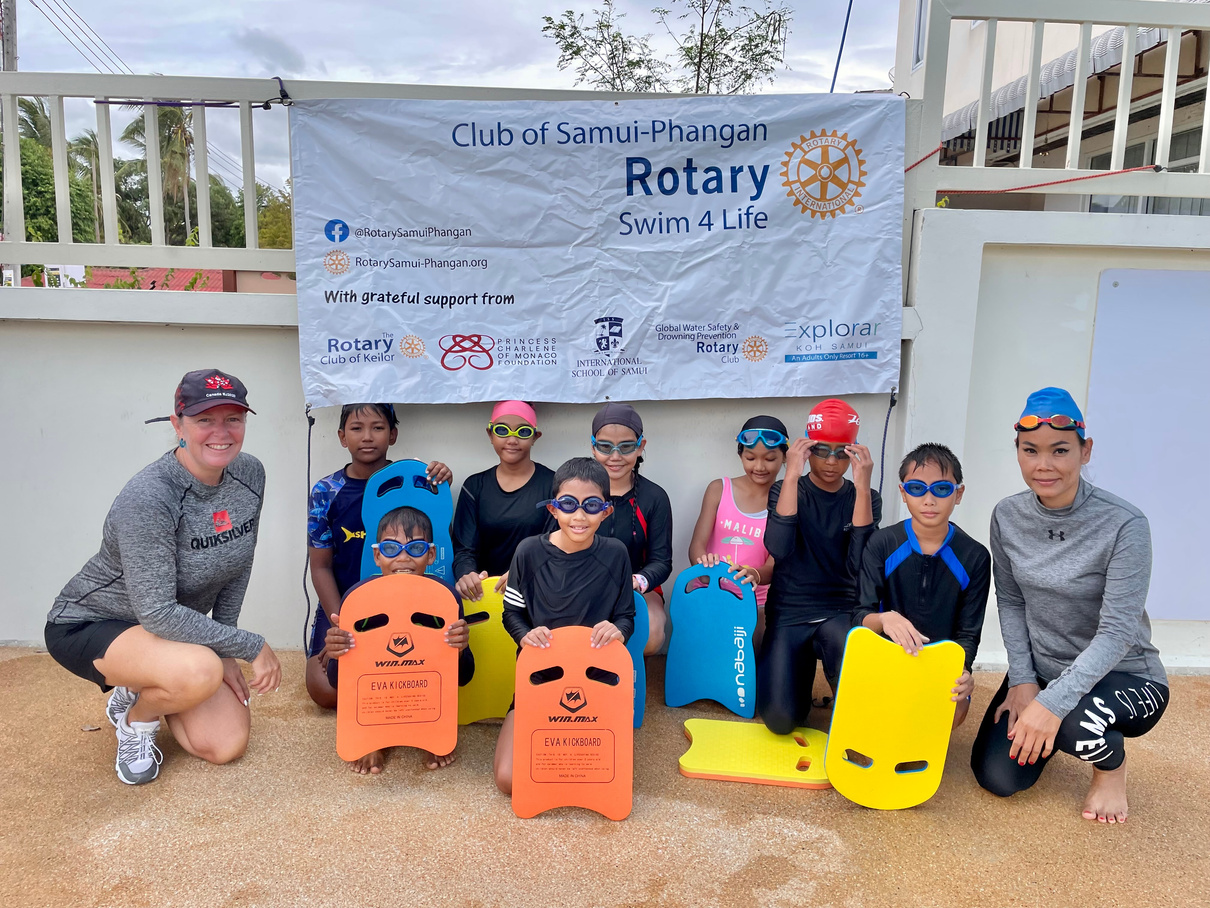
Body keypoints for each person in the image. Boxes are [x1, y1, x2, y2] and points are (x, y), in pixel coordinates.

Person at [44, 368, 281, 785]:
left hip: (172, 632)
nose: (220, 432)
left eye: (233, 418)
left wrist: (224, 645)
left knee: (224, 745)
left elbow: (237, 564)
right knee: (199, 672)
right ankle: (135, 718)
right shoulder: (150, 496)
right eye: (204, 419)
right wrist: (249, 646)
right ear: (178, 425)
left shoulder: (250, 475)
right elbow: (155, 612)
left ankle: (145, 679)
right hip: (92, 623)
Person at [970, 388, 1168, 824]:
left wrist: (1051, 704)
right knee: (997, 777)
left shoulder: (1125, 524)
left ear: (1085, 450)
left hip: (1126, 675)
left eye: (1060, 450)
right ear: (1018, 452)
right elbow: (1011, 599)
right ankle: (1055, 715)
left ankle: (1110, 767)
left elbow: (1117, 633)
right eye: (1031, 451)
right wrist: (1023, 682)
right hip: (1043, 668)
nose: (1044, 465)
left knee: (1077, 724)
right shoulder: (1007, 515)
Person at [492, 457, 636, 795]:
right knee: (510, 780)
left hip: (597, 683)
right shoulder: (528, 552)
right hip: (540, 680)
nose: (580, 516)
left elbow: (626, 617)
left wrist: (618, 632)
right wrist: (526, 635)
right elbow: (511, 614)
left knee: (603, 779)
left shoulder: (616, 554)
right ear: (554, 508)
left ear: (607, 510)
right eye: (569, 504)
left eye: (591, 505)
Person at [305, 403, 451, 709]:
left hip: (405, 606)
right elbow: (320, 567)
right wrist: (339, 624)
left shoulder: (418, 483)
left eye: (378, 428)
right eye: (357, 429)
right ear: (342, 437)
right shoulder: (326, 491)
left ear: (393, 435)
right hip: (343, 601)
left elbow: (436, 540)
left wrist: (442, 480)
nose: (367, 437)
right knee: (325, 690)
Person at [759, 398, 880, 735]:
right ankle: (801, 677)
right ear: (806, 450)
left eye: (841, 452)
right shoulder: (786, 489)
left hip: (839, 609)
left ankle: (836, 680)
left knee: (859, 715)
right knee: (782, 720)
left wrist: (863, 488)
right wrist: (793, 474)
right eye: (821, 450)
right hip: (789, 609)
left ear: (854, 453)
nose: (830, 461)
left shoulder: (865, 497)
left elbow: (860, 564)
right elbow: (779, 549)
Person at [320, 506, 472, 774]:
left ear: (432, 554)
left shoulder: (445, 599)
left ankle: (431, 732)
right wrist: (337, 652)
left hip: (422, 691)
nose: (403, 558)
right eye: (391, 549)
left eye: (416, 548)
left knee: (430, 677)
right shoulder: (358, 601)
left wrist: (460, 647)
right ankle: (373, 740)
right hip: (378, 693)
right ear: (377, 555)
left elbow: (463, 677)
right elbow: (337, 681)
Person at [855, 443, 990, 728]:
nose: (929, 500)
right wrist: (884, 618)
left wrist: (963, 671)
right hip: (886, 658)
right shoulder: (882, 544)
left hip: (937, 664)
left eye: (941, 489)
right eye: (917, 488)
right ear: (904, 493)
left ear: (958, 494)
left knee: (950, 715)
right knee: (875, 724)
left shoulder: (974, 556)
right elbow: (859, 616)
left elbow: (968, 632)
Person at [688, 415, 788, 651]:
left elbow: (774, 565)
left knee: (749, 641)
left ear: (785, 457)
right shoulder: (719, 489)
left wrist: (752, 574)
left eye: (770, 459)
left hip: (756, 600)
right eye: (750, 458)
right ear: (740, 455)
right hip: (709, 588)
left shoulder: (786, 502)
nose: (760, 467)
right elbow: (696, 547)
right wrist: (705, 570)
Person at [589, 402, 673, 655]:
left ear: (640, 447)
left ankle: (631, 674)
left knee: (653, 632)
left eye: (626, 447)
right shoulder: (578, 493)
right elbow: (552, 541)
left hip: (637, 586)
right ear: (593, 447)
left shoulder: (653, 497)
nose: (615, 457)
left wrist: (636, 581)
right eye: (605, 447)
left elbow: (661, 561)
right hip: (583, 583)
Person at [453, 400, 555, 602]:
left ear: (535, 437)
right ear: (490, 435)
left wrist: (525, 573)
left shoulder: (554, 485)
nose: (512, 439)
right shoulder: (474, 487)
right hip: (484, 596)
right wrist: (466, 575)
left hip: (538, 596)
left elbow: (556, 546)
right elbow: (464, 550)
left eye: (523, 432)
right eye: (502, 430)